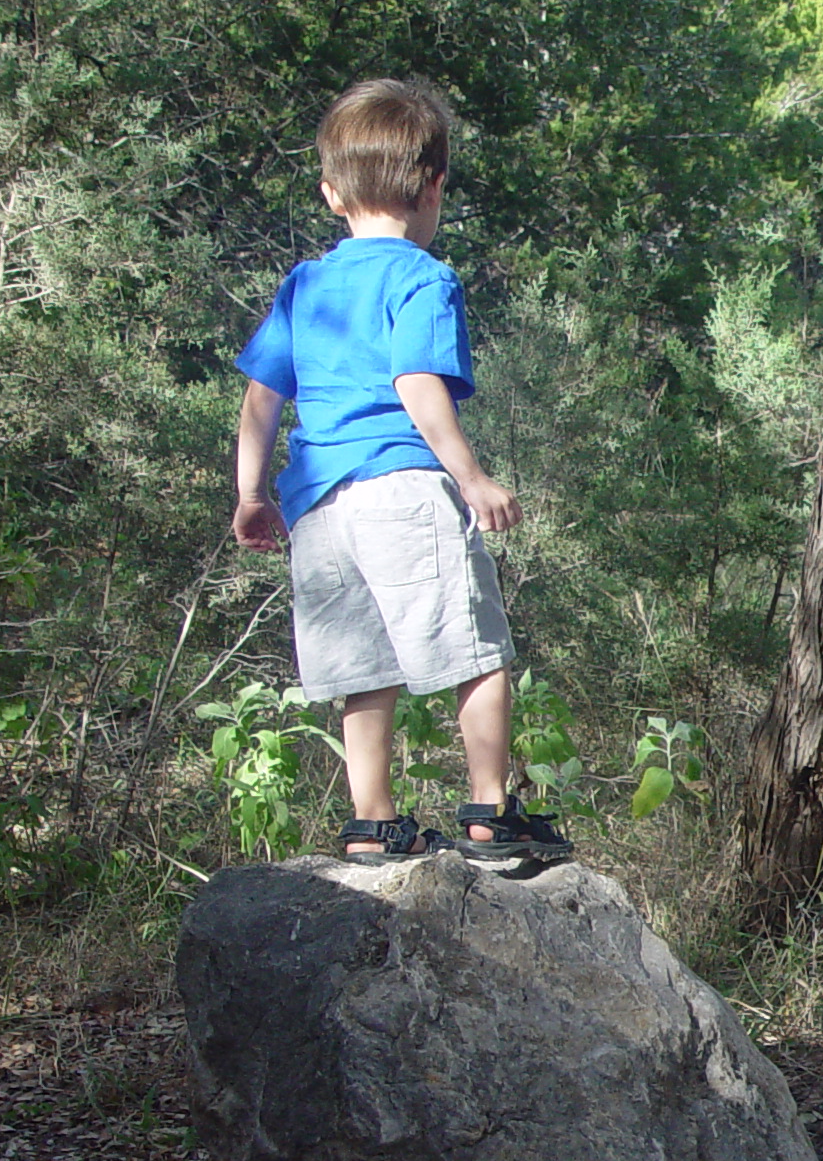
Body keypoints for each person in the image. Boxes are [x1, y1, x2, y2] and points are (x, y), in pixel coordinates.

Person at [229, 76, 570, 865]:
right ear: (434, 186)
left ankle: (372, 823)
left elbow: (260, 396)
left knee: (363, 668)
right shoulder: (423, 278)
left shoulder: (305, 284)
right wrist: (474, 479)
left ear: (330, 194)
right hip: (402, 488)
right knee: (477, 650)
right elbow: (416, 385)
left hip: (318, 509)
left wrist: (250, 493)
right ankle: (490, 811)